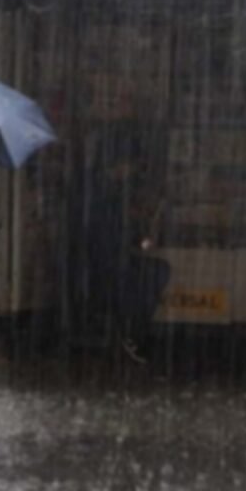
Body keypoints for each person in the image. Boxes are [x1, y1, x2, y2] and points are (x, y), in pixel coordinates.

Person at [74, 124, 171, 364]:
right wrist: (140, 236)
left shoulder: (94, 186)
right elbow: (111, 233)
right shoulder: (107, 193)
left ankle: (130, 331)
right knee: (156, 273)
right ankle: (133, 332)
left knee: (152, 272)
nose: (132, 171)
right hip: (104, 264)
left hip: (98, 261)